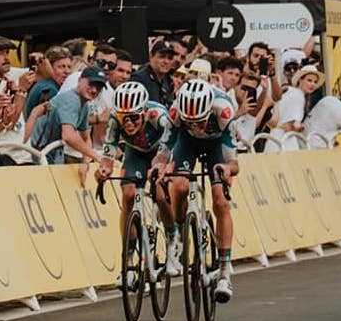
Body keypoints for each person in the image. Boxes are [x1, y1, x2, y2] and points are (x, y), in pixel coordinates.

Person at [155, 79, 239, 302]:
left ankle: (224, 272)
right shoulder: (175, 113)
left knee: (221, 202)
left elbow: (234, 164)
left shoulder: (224, 110)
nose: (195, 127)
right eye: (189, 122)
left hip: (216, 146)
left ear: (210, 110)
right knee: (178, 185)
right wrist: (159, 166)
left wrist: (226, 169)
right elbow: (164, 151)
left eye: (200, 122)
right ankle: (182, 235)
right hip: (187, 145)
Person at [96, 81, 178, 279]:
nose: (129, 123)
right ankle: (128, 262)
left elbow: (172, 141)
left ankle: (172, 238)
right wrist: (104, 169)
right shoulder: (116, 119)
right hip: (136, 154)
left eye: (133, 118)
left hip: (162, 151)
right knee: (128, 195)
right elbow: (108, 149)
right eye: (124, 119)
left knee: (160, 194)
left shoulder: (158, 116)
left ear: (143, 111)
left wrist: (160, 166)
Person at [28, 66, 108, 178]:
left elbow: (86, 138)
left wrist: (85, 163)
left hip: (54, 152)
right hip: (36, 152)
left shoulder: (84, 105)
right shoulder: (72, 99)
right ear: (79, 81)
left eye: (98, 88)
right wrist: (97, 157)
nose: (94, 90)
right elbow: (69, 136)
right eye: (91, 84)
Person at [269, 64, 323, 152]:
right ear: (300, 80)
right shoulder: (298, 96)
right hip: (285, 142)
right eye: (309, 80)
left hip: (274, 139)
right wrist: (300, 128)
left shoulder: (290, 92)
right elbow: (288, 126)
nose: (312, 84)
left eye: (315, 82)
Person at [23, 45, 70, 119]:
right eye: (61, 67)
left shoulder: (44, 84)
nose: (67, 71)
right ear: (49, 67)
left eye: (69, 67)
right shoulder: (50, 90)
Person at [132, 40, 176, 105]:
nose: (166, 61)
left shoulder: (169, 81)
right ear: (151, 56)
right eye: (162, 56)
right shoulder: (139, 79)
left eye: (170, 58)